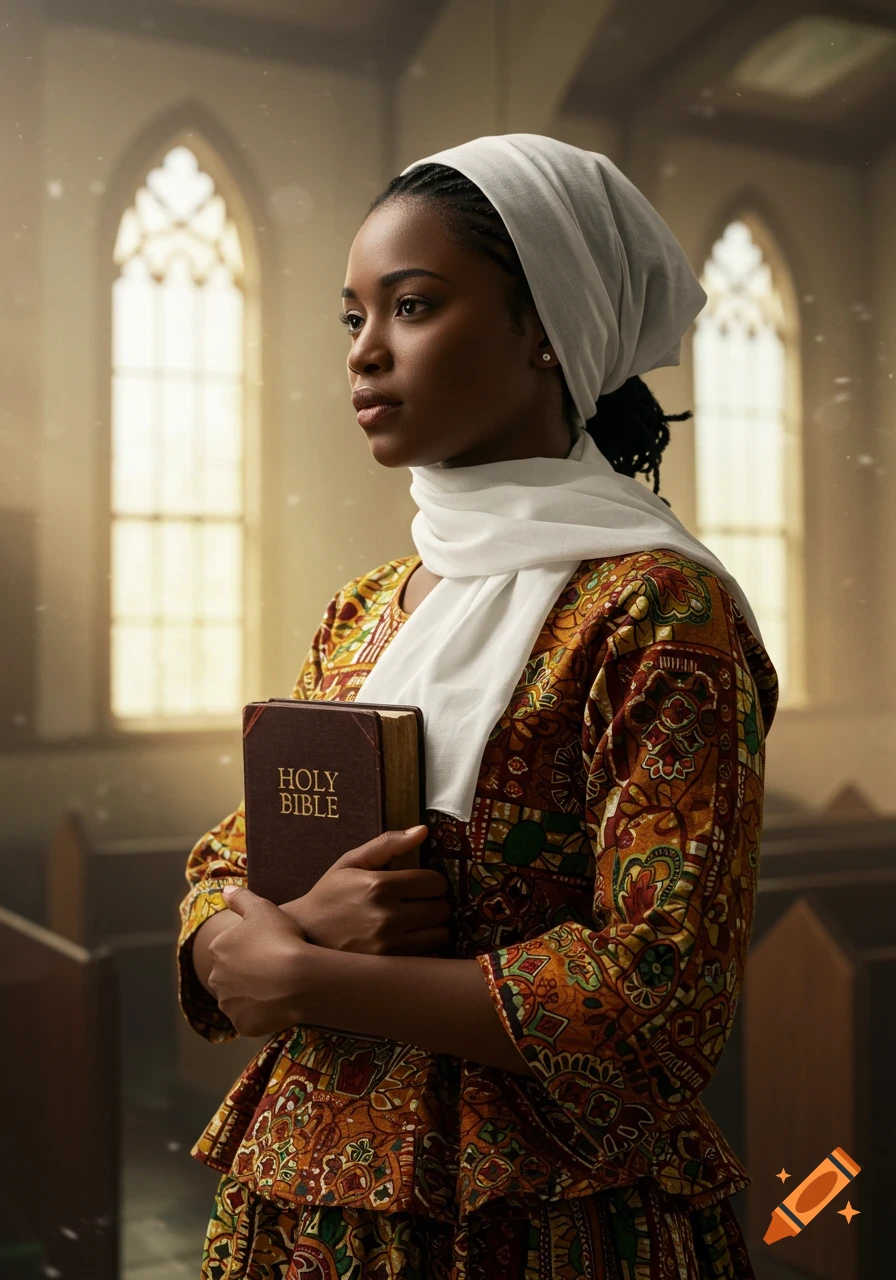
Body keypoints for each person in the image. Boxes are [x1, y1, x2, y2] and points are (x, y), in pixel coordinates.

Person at [177, 134, 778, 1278]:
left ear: (545, 323)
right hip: (299, 1204)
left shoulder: (655, 611)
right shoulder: (362, 610)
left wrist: (308, 973)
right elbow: (234, 853)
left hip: (549, 1213)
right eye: (350, 318)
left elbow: (660, 992)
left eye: (410, 306)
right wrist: (240, 932)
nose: (364, 353)